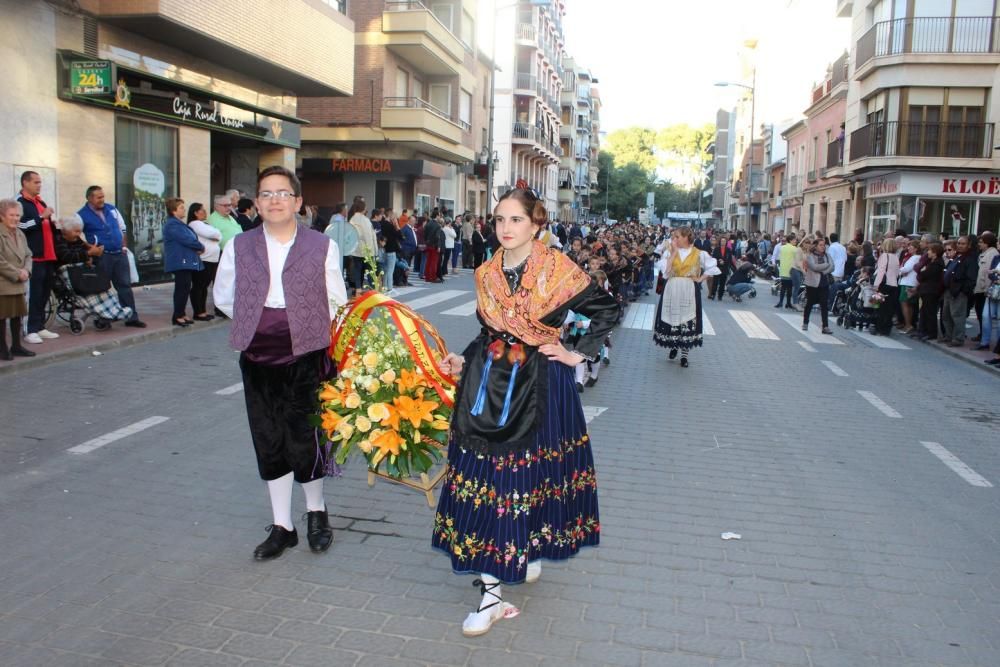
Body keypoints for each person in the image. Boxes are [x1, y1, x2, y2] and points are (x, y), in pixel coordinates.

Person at [432, 188, 618, 636]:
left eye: (515, 220)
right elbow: (487, 334)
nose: (505, 229)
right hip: (490, 382)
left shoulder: (558, 269)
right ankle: (492, 592)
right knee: (493, 478)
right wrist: (460, 359)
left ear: (536, 223)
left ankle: (526, 548)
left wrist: (577, 353)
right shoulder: (486, 272)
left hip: (544, 384)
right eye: (499, 220)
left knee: (535, 475)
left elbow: (606, 310)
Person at [214, 166, 348, 560]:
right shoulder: (239, 245)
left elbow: (336, 301)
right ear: (256, 203)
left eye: (283, 193)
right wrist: (257, 320)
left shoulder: (322, 246)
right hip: (258, 352)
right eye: (267, 194)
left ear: (298, 202)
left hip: (307, 352)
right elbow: (225, 297)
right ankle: (282, 525)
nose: (275, 200)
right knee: (268, 436)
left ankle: (316, 512)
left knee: (305, 436)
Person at [77, 185, 145, 328]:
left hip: (119, 254)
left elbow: (123, 227)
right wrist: (89, 248)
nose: (102, 199)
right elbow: (75, 234)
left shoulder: (111, 209)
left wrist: (124, 246)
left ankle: (131, 317)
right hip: (102, 256)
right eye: (98, 197)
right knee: (102, 288)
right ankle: (103, 319)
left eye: (103, 196)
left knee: (125, 286)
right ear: (89, 198)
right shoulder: (81, 215)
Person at [653, 227, 721, 367]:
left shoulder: (699, 253)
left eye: (677, 237)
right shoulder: (669, 252)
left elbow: (712, 267)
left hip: (689, 289)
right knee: (673, 319)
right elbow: (665, 272)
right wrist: (673, 253)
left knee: (688, 320)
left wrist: (701, 278)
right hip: (672, 288)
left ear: (686, 237)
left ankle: (684, 354)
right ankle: (674, 346)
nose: (674, 239)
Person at [18, 171, 60, 344]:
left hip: (48, 255)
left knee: (44, 294)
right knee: (33, 295)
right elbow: (20, 226)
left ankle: (40, 326)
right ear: (25, 183)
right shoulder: (19, 203)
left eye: (40, 182)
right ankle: (29, 330)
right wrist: (40, 217)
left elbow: (44, 224)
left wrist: (54, 223)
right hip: (33, 257)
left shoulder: (40, 201)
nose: (39, 185)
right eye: (36, 182)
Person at [0, 199, 35, 360]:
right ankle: (2, 348)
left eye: (18, 215)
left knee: (17, 315)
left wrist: (26, 270)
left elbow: (28, 254)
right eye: (11, 215)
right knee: (2, 316)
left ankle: (16, 346)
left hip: (19, 281)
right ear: (2, 216)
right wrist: (17, 273)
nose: (15, 218)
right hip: (4, 282)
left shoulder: (20, 233)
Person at [162, 198, 204, 327]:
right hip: (179, 261)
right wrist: (200, 246)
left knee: (185, 288)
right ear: (173, 211)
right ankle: (177, 315)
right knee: (181, 288)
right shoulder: (172, 225)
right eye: (181, 207)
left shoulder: (178, 224)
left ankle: (182, 313)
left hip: (185, 261)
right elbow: (186, 239)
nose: (184, 209)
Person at [184, 203, 221, 322]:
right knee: (199, 286)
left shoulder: (204, 223)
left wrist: (216, 234)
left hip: (211, 259)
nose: (205, 212)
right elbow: (214, 234)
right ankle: (198, 312)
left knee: (204, 286)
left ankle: (202, 311)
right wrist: (216, 234)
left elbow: (218, 234)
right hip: (203, 259)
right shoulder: (195, 224)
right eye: (202, 210)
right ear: (195, 212)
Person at [940, 236, 977, 346]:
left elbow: (971, 279)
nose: (960, 245)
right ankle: (948, 336)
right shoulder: (957, 256)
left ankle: (958, 339)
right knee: (946, 315)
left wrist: (962, 290)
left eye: (963, 243)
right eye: (959, 243)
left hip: (958, 292)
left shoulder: (970, 259)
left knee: (957, 316)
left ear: (969, 245)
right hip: (948, 290)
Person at [801, 237, 834, 334]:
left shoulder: (827, 255)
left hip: (824, 283)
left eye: (824, 245)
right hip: (812, 284)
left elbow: (833, 266)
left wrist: (823, 271)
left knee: (824, 305)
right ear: (815, 246)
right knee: (809, 304)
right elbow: (814, 267)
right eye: (820, 245)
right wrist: (826, 265)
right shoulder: (810, 256)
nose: (823, 247)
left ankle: (825, 326)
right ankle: (805, 322)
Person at [346, 197, 378, 295]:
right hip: (368, 250)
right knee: (371, 272)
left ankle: (358, 288)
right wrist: (374, 251)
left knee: (357, 270)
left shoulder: (351, 220)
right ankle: (373, 290)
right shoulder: (366, 220)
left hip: (356, 250)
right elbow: (371, 236)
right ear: (364, 209)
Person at [915, 242, 945, 342]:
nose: (928, 252)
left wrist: (922, 271)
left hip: (931, 290)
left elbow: (925, 274)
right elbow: (920, 272)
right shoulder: (931, 262)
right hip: (926, 289)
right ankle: (923, 330)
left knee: (930, 312)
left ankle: (932, 332)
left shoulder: (937, 264)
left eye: (930, 251)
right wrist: (922, 271)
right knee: (924, 311)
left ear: (935, 252)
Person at [973, 232, 998, 347]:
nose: (979, 244)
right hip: (984, 289)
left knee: (991, 318)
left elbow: (990, 272)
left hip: (988, 291)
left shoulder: (992, 254)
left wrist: (986, 288)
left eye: (981, 242)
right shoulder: (992, 255)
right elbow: (990, 273)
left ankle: (990, 342)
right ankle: (984, 340)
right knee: (983, 316)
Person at [872, 238, 900, 336]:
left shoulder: (884, 256)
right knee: (889, 308)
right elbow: (897, 272)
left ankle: (879, 327)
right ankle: (886, 329)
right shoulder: (896, 257)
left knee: (879, 307)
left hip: (884, 284)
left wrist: (876, 285)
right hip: (894, 285)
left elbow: (881, 271)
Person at [897, 239, 921, 334]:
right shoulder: (913, 257)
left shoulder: (915, 258)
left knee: (904, 303)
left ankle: (908, 325)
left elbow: (906, 269)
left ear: (916, 249)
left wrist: (899, 271)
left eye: (912, 246)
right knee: (909, 304)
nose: (909, 248)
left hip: (908, 282)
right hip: (909, 281)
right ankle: (908, 324)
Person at [775, 234, 798, 309]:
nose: (796, 241)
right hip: (790, 271)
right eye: (794, 240)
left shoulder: (782, 248)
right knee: (789, 288)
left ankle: (781, 302)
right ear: (790, 240)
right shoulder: (794, 249)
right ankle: (788, 303)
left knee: (783, 287)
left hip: (783, 270)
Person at [423, 213, 443, 283]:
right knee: (434, 262)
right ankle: (433, 277)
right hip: (434, 245)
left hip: (428, 244)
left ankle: (427, 277)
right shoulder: (437, 225)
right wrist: (438, 246)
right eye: (439, 216)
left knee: (428, 261)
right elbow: (437, 237)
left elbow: (424, 234)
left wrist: (426, 241)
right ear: (437, 216)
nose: (440, 218)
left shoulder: (428, 224)